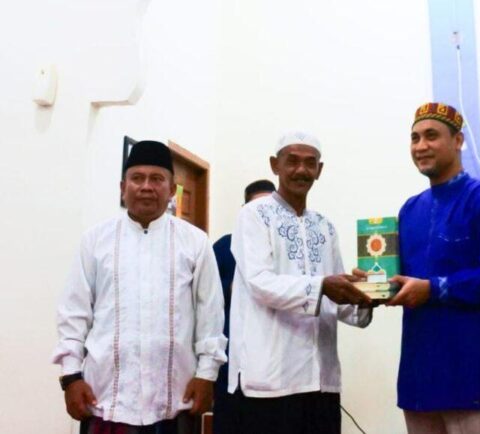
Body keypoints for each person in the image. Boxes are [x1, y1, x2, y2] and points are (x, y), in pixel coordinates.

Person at [53, 140, 227, 433]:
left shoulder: (195, 243)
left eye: (157, 179)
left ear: (172, 190)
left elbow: (210, 315)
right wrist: (71, 377)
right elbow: (74, 313)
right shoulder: (95, 241)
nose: (146, 186)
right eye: (137, 178)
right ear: (123, 187)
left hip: (175, 401)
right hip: (106, 400)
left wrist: (207, 375)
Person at [388, 103, 480, 434]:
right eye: (415, 138)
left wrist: (433, 288)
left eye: (431, 136)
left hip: (472, 380)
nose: (421, 146)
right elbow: (404, 281)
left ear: (458, 140)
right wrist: (373, 285)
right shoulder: (409, 210)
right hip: (419, 381)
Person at [227, 131, 373, 434]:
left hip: (321, 379)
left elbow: (336, 296)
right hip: (271, 379)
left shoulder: (325, 226)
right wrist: (322, 286)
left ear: (320, 170)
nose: (301, 170)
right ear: (274, 165)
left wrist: (367, 296)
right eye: (292, 161)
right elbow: (259, 283)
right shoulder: (253, 215)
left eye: (310, 163)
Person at [212, 179, 276, 434]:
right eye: (254, 208)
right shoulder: (224, 249)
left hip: (275, 370)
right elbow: (209, 307)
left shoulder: (285, 249)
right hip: (231, 369)